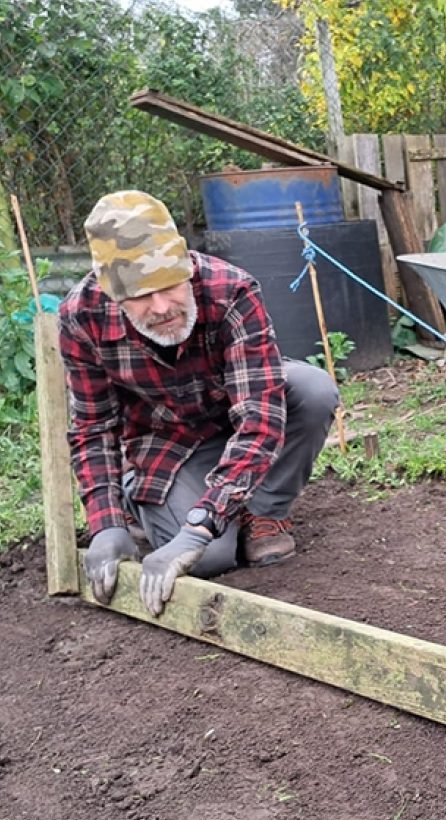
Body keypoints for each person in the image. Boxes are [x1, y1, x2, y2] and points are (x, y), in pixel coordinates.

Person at [59, 189, 339, 618]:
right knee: (209, 560)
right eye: (140, 295)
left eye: (169, 286)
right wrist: (106, 522)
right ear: (112, 293)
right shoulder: (82, 318)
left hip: (236, 419)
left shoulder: (231, 291)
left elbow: (260, 418)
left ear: (186, 266)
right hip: (166, 442)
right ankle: (140, 503)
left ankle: (263, 512)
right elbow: (93, 428)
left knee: (312, 389)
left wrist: (204, 521)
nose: (161, 307)